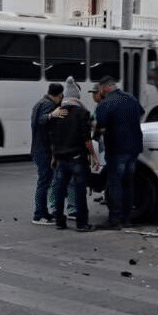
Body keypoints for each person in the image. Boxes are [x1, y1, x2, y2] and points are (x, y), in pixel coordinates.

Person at [92, 75, 144, 229]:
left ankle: (115, 219)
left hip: (117, 148)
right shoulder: (131, 98)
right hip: (134, 148)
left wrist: (96, 128)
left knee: (115, 184)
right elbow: (141, 113)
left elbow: (100, 127)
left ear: (103, 88)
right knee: (128, 184)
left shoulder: (106, 103)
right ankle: (127, 219)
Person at [48, 77, 99, 232]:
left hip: (61, 158)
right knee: (79, 191)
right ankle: (82, 223)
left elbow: (53, 138)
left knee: (59, 190)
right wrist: (93, 155)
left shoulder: (58, 113)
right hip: (77, 158)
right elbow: (86, 138)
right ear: (77, 97)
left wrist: (54, 156)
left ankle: (60, 221)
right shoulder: (82, 113)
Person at [30, 82, 64, 225]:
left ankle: (43, 212)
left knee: (43, 181)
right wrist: (51, 115)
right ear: (59, 95)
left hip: (38, 148)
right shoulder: (49, 106)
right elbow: (41, 121)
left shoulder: (40, 103)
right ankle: (39, 215)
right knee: (44, 182)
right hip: (44, 150)